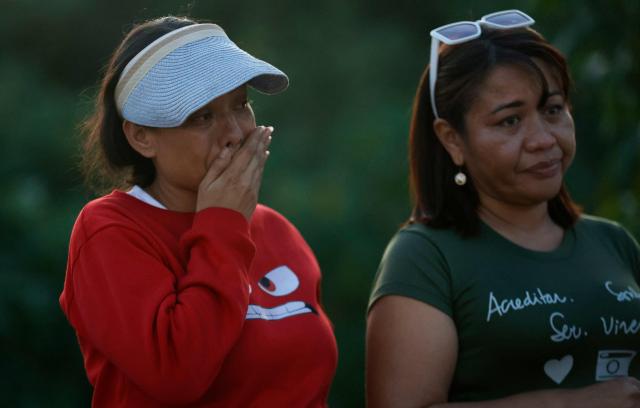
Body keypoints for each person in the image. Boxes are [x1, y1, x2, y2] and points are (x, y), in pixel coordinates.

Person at [366, 9, 640, 408]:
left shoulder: (613, 242)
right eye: (510, 121)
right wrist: (568, 404)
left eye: (553, 109)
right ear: (452, 140)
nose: (543, 139)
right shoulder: (425, 259)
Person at [59, 16, 337, 407]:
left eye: (241, 105)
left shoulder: (279, 232)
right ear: (141, 136)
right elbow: (177, 374)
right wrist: (224, 225)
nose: (236, 133)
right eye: (203, 116)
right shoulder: (110, 230)